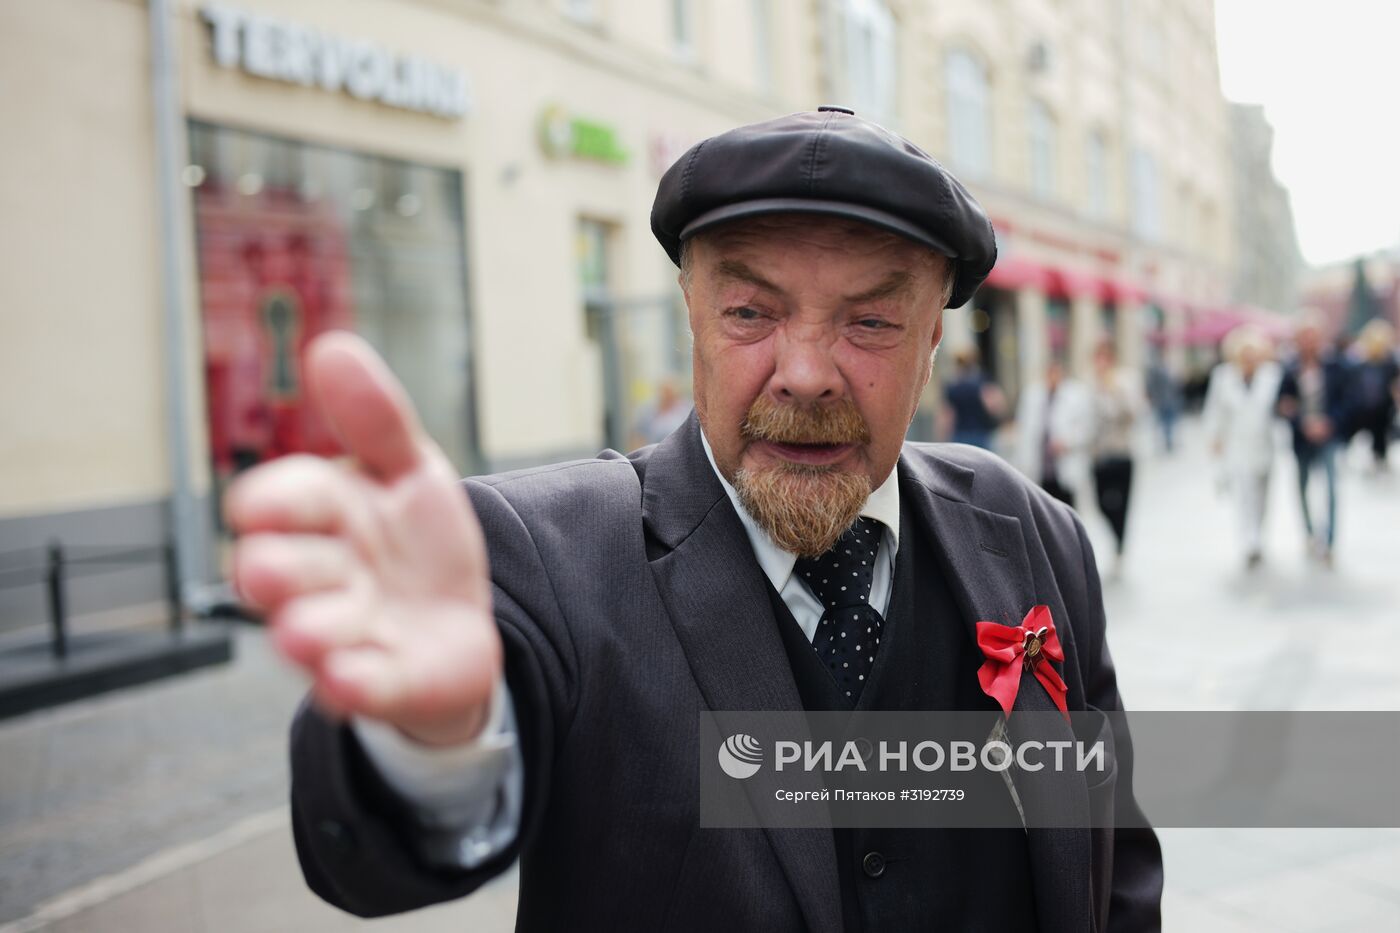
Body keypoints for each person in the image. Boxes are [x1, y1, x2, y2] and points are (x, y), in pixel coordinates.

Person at [227, 109, 1161, 931]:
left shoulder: (1033, 532)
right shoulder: (540, 551)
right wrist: (433, 744)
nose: (805, 371)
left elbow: (1112, 874)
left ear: (931, 343)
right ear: (693, 316)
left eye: (870, 324)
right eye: (751, 311)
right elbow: (370, 859)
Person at [1202, 326, 1283, 569]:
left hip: (1264, 444)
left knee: (1263, 495)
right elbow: (1214, 409)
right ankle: (1249, 541)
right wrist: (1215, 438)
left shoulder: (1272, 375)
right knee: (1244, 495)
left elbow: (1279, 409)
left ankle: (1259, 533)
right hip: (1237, 445)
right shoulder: (1223, 376)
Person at [1276, 318, 1351, 566]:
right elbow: (1283, 404)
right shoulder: (1289, 368)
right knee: (1303, 485)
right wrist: (1302, 422)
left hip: (1329, 434)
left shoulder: (1335, 366)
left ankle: (1329, 539)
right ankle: (1309, 532)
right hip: (1302, 437)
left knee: (1330, 486)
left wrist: (1329, 422)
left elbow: (1346, 400)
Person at [1088, 341, 1142, 575]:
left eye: (1105, 357)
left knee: (1123, 503)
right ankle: (1116, 535)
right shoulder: (1089, 384)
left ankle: (1120, 544)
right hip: (1099, 454)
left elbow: (1133, 413)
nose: (1101, 363)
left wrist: (1115, 392)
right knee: (1100, 502)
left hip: (1122, 451)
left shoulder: (1126, 381)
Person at [1013, 359, 1095, 508]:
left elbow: (1087, 430)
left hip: (1065, 467)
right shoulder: (1032, 396)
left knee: (1067, 511)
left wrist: (1066, 442)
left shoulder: (1076, 396)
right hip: (1040, 468)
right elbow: (1025, 432)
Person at [1349, 319, 1399, 470]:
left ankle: (1380, 456)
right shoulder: (1361, 364)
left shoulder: (1390, 364)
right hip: (1365, 407)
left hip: (1384, 408)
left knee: (1381, 434)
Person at [940, 345, 1007, 449]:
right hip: (980, 433)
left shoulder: (953, 386)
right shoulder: (982, 382)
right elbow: (994, 407)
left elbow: (948, 416)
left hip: (960, 434)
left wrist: (943, 437)